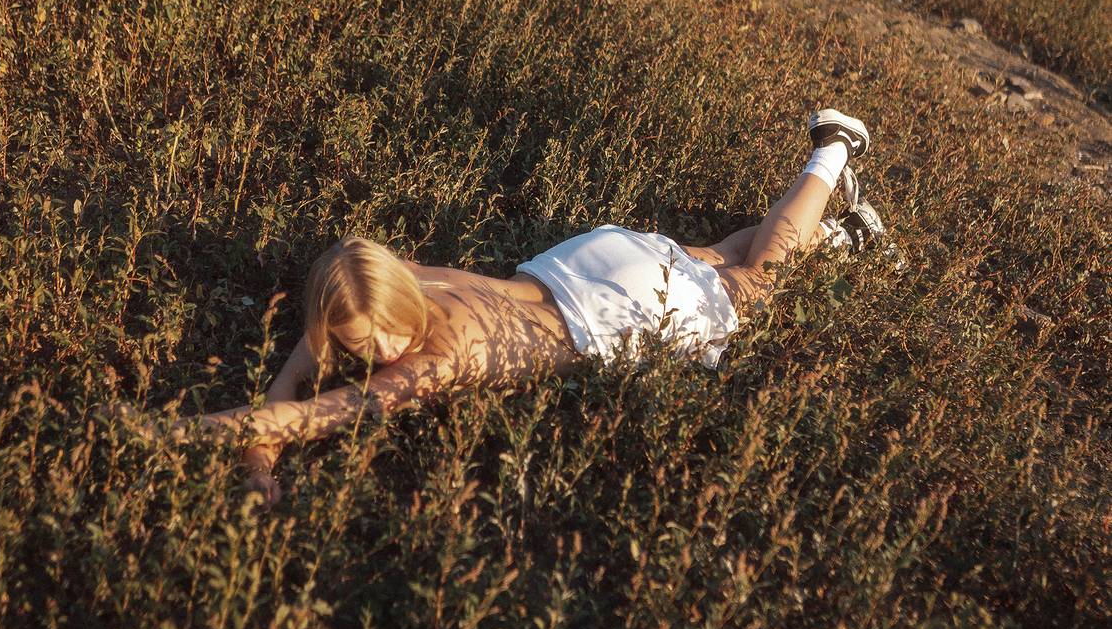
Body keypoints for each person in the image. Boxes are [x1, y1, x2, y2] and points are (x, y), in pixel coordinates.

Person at [168, 110, 889, 507]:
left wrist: (159, 435)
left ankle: (831, 148)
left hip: (612, 314)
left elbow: (312, 413)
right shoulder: (398, 279)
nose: (382, 352)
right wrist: (260, 451)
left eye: (381, 333)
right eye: (360, 344)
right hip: (586, 262)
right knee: (708, 258)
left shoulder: (440, 360)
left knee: (756, 278)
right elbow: (298, 375)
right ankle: (842, 230)